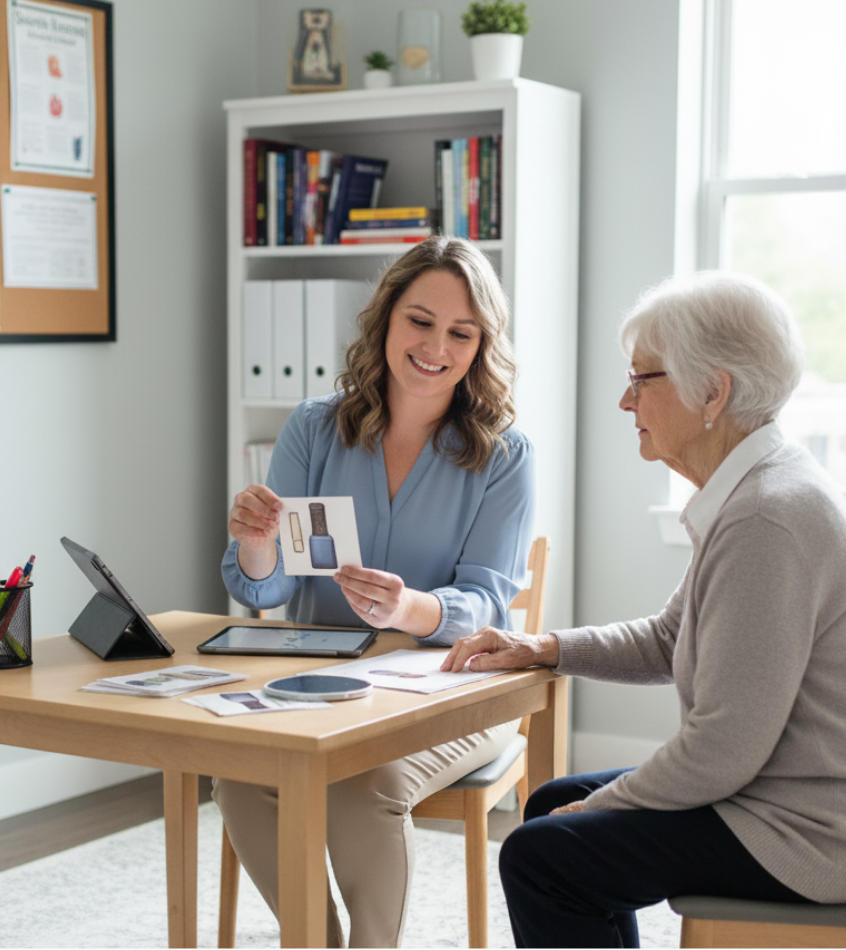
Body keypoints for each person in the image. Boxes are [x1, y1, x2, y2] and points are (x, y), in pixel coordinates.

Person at [443, 270, 846, 948]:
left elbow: (720, 754)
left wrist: (597, 809)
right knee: (548, 810)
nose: (625, 401)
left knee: (541, 856)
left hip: (803, 828)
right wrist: (548, 647)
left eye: (641, 380)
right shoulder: (757, 489)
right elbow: (669, 638)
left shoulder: (763, 520)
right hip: (779, 791)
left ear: (712, 391)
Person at [214, 236, 535, 948]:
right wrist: (257, 542)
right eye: (419, 321)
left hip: (454, 686)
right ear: (387, 317)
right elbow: (264, 591)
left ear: (481, 345)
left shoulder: (505, 456)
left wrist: (410, 609)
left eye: (461, 332)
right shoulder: (313, 426)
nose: (435, 347)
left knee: (363, 785)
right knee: (238, 776)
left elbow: (486, 602)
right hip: (324, 684)